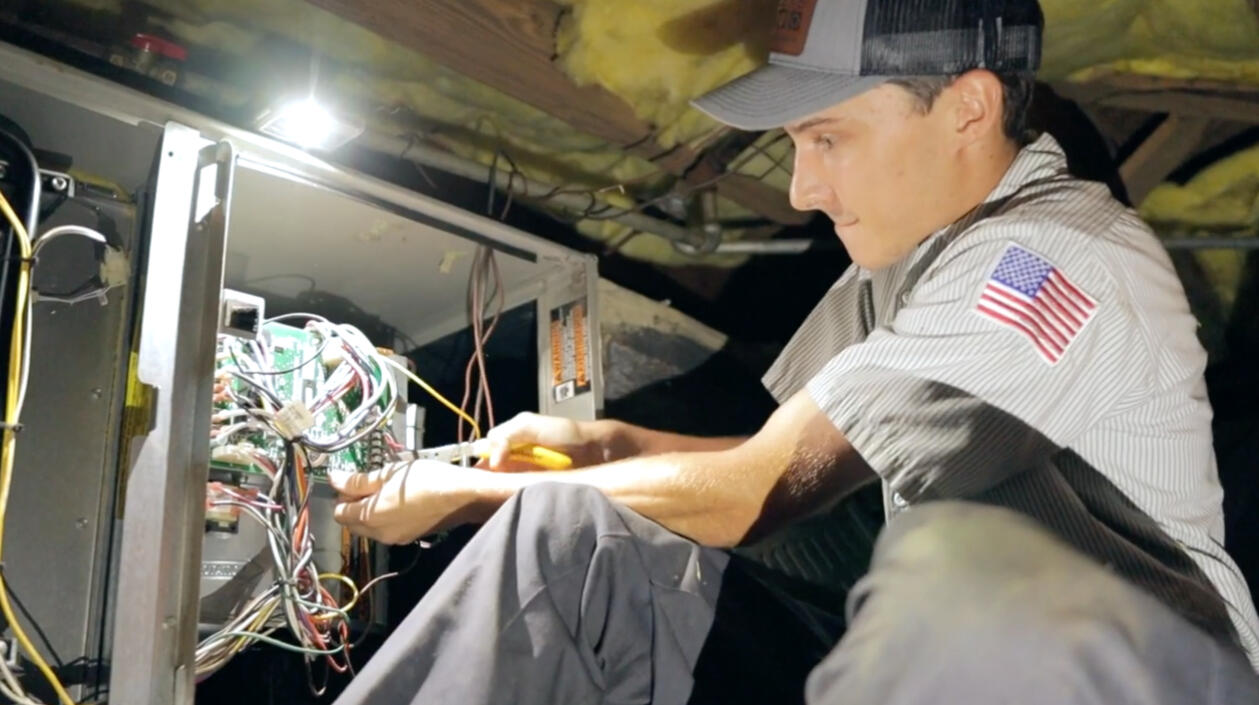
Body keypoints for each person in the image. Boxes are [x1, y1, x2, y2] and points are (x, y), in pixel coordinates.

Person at [330, 1, 1259, 702]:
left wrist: (474, 493)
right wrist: (601, 444)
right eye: (794, 144)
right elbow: (777, 455)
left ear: (969, 108)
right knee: (600, 559)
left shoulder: (1046, 261)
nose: (802, 188)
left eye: (827, 138)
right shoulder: (916, 264)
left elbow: (753, 494)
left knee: (567, 540)